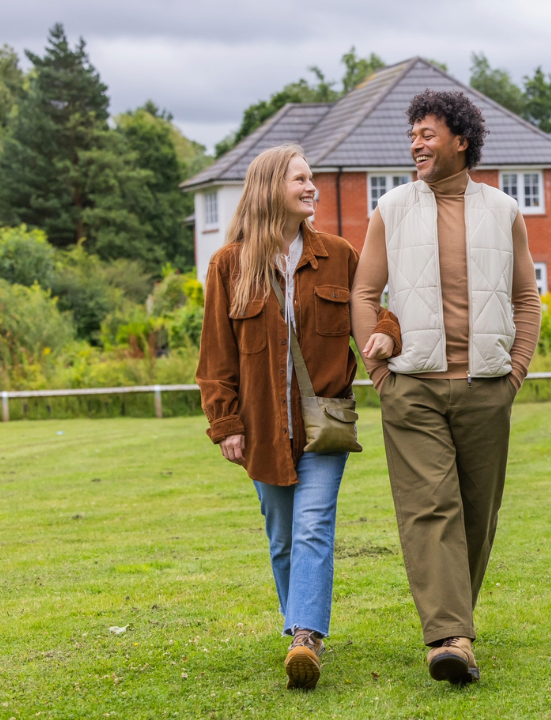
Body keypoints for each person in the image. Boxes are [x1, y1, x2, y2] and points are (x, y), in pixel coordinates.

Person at [351, 90, 542, 685]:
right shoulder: (393, 208)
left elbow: (526, 298)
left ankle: (453, 619)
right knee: (429, 509)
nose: (416, 143)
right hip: (413, 389)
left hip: (487, 387)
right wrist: (380, 373)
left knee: (477, 514)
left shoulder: (504, 210)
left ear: (461, 140)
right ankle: (449, 639)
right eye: (412, 134)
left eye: (427, 133)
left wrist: (515, 372)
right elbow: (363, 294)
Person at [196, 144, 401, 690]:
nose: (311, 188)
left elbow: (378, 306)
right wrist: (226, 424)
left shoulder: (337, 254)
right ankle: (298, 630)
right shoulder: (229, 264)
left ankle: (306, 636)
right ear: (270, 189)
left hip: (324, 423)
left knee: (313, 528)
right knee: (283, 537)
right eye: (301, 179)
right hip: (262, 428)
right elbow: (215, 358)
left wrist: (388, 331)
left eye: (312, 179)